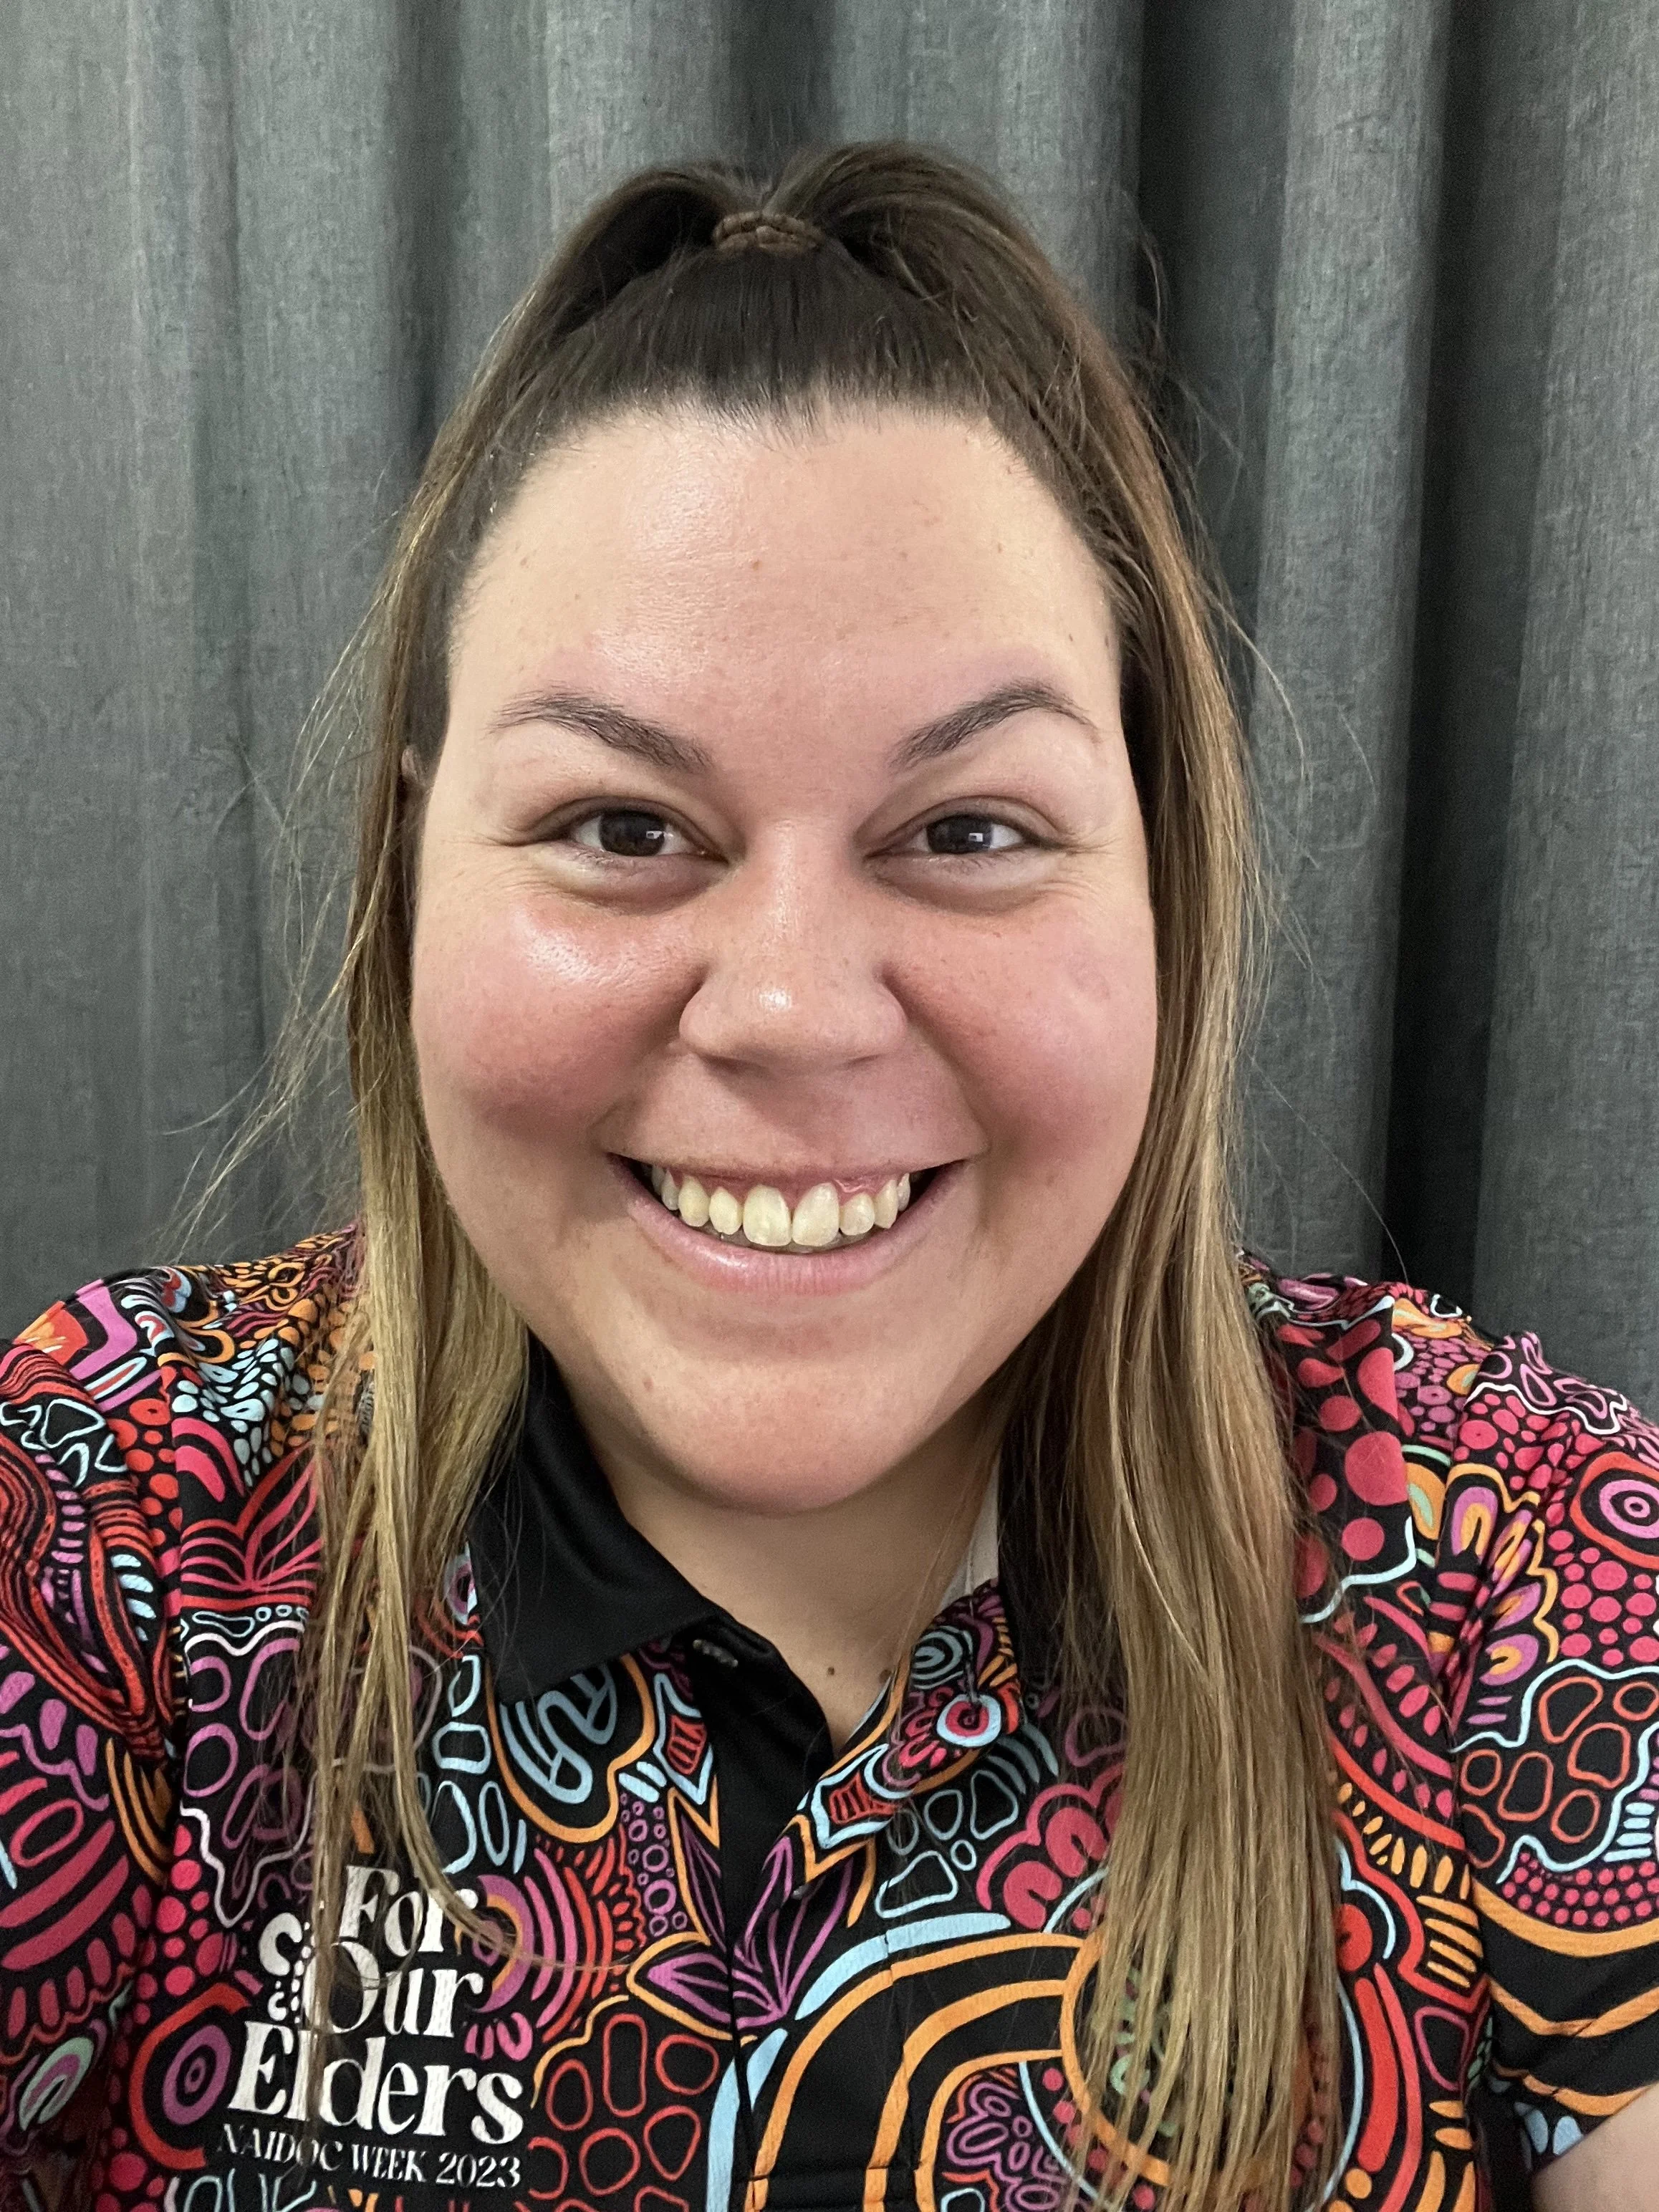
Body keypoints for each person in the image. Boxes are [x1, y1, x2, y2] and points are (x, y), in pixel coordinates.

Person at [0, 140, 1651, 2212]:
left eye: (968, 832)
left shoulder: (1513, 1556)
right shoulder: (117, 1518)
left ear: (1160, 883)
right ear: (413, 875)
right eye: (620, 827)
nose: (790, 1013)